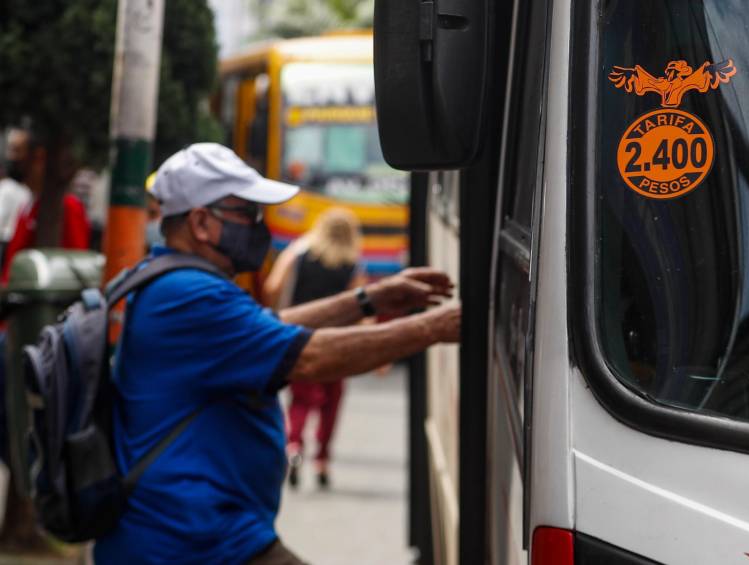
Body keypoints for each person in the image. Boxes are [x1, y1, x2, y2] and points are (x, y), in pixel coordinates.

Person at [93, 143, 460, 565]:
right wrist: (434, 327)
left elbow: (271, 326)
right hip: (192, 540)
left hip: (205, 534)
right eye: (247, 213)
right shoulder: (190, 294)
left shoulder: (174, 281)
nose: (258, 226)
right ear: (200, 223)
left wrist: (368, 300)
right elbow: (309, 357)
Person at [264, 207, 365, 489]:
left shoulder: (298, 253)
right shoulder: (351, 262)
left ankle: (294, 446)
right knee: (331, 402)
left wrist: (281, 312)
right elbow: (363, 304)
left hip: (300, 337)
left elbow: (273, 286)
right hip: (337, 341)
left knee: (301, 400)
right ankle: (322, 460)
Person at [0, 126, 90, 282]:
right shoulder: (28, 203)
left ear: (39, 158)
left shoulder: (68, 207)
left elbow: (77, 264)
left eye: (18, 152)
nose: (13, 159)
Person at [0, 130, 33, 266]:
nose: (13, 156)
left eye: (18, 150)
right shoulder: (5, 188)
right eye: (11, 149)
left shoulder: (29, 191)